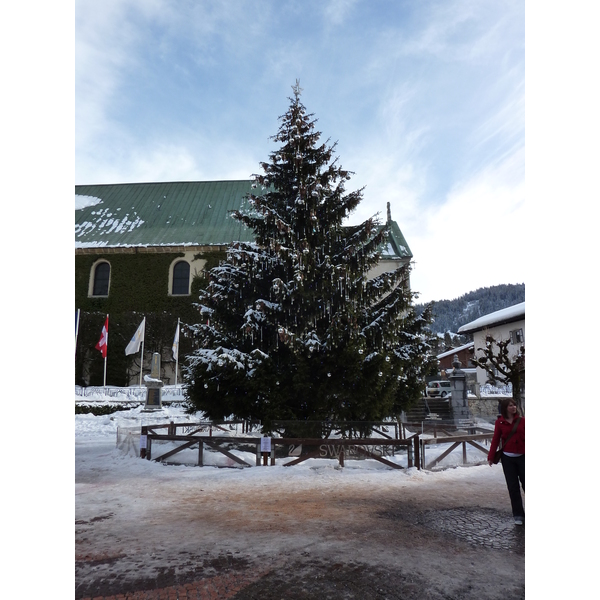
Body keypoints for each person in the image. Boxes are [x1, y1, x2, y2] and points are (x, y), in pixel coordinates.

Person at [488, 398, 525, 525]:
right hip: (508, 458)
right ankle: (518, 515)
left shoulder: (523, 421)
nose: (513, 407)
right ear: (505, 408)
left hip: (523, 456)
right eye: (510, 405)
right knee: (513, 487)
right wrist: (491, 456)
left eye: (514, 405)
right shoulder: (500, 423)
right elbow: (495, 439)